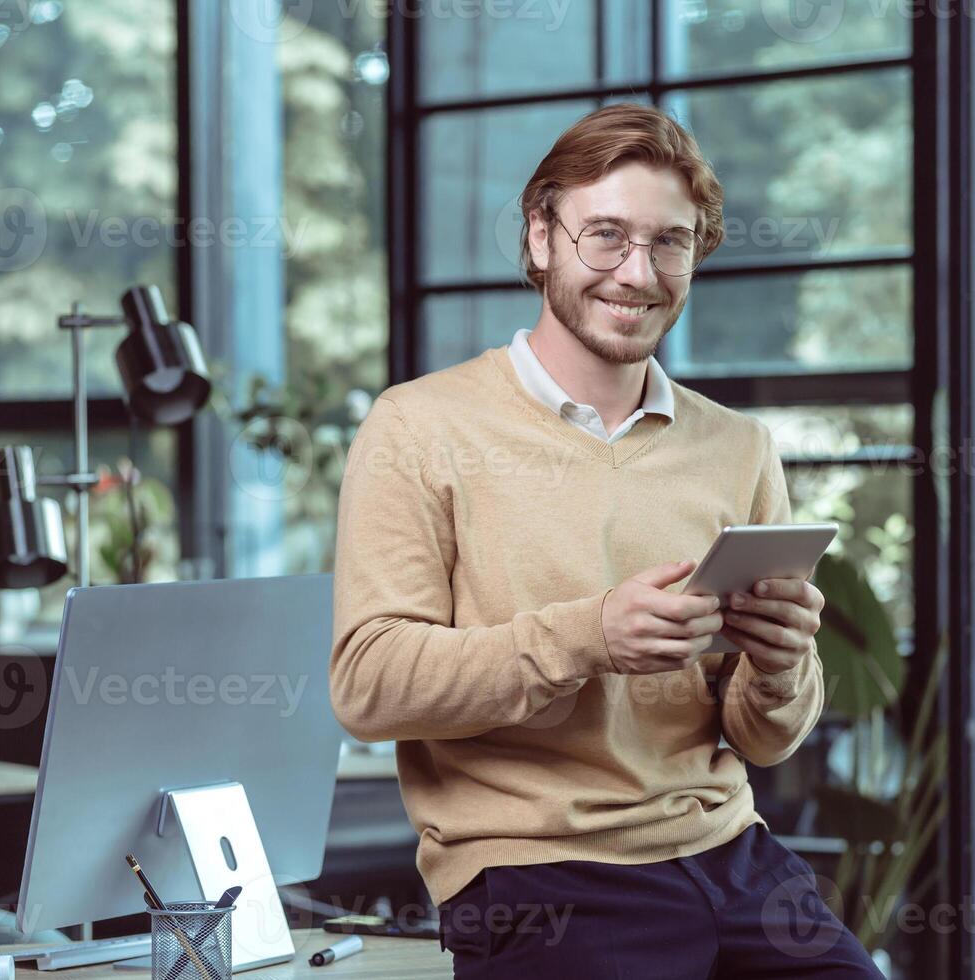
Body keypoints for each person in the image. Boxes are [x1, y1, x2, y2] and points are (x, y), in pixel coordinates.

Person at [330, 103, 883, 978]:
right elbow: (369, 685)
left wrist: (779, 667)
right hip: (538, 874)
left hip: (733, 854)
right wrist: (588, 637)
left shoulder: (739, 447)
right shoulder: (417, 426)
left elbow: (763, 739)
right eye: (606, 237)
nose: (639, 272)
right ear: (541, 235)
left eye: (672, 241)